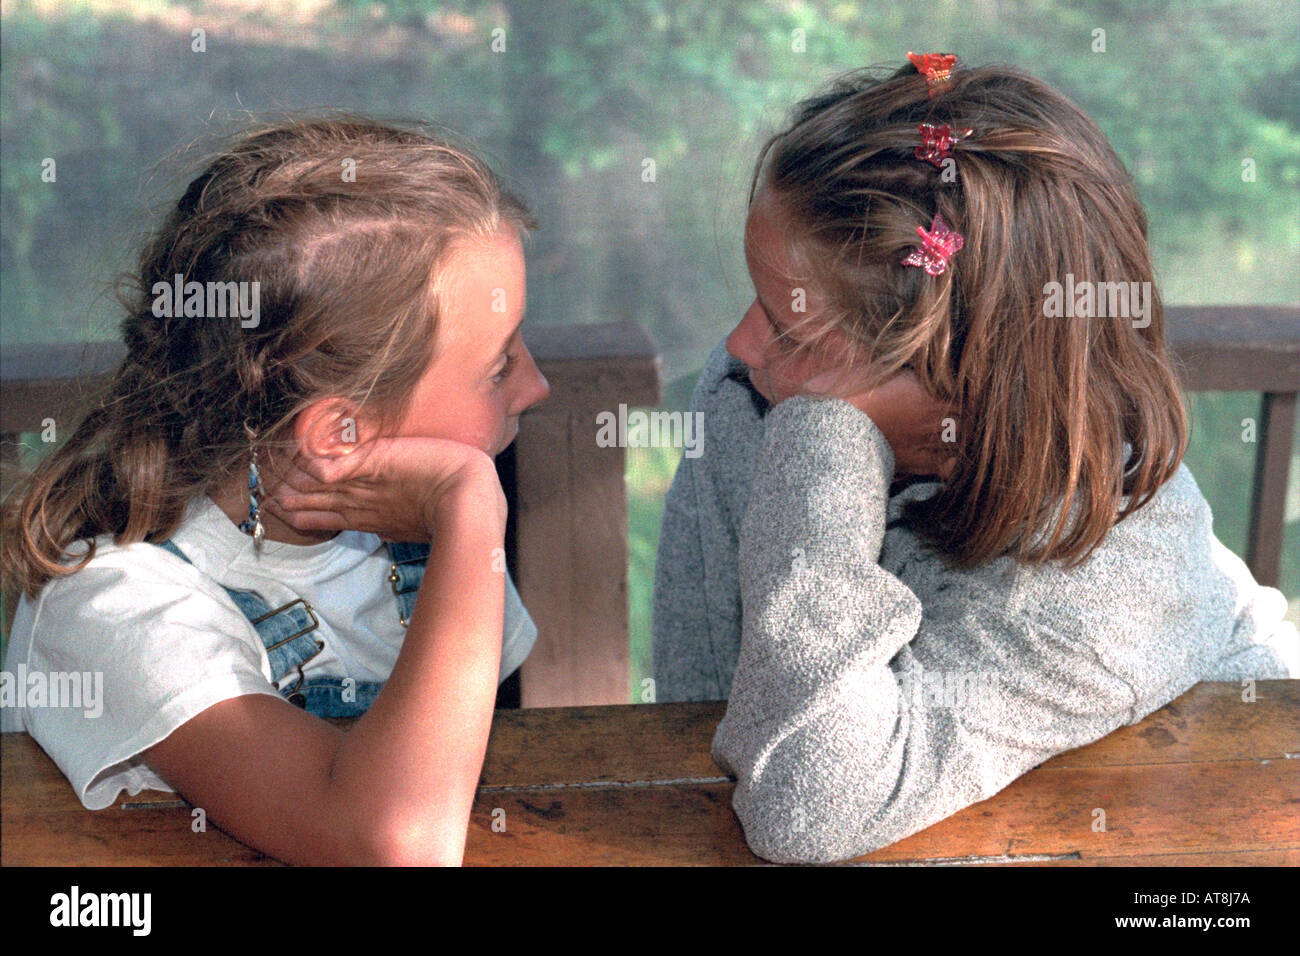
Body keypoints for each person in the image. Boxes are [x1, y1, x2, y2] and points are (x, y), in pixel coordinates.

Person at [651, 57, 1298, 864]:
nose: (739, 346)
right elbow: (699, 723)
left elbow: (809, 807)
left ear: (965, 383)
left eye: (790, 330)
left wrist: (824, 438)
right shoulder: (751, 402)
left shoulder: (1111, 586)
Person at [0, 117, 551, 865]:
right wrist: (471, 506)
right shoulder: (116, 607)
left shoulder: (409, 541)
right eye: (499, 364)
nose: (539, 385)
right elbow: (397, 845)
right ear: (340, 435)